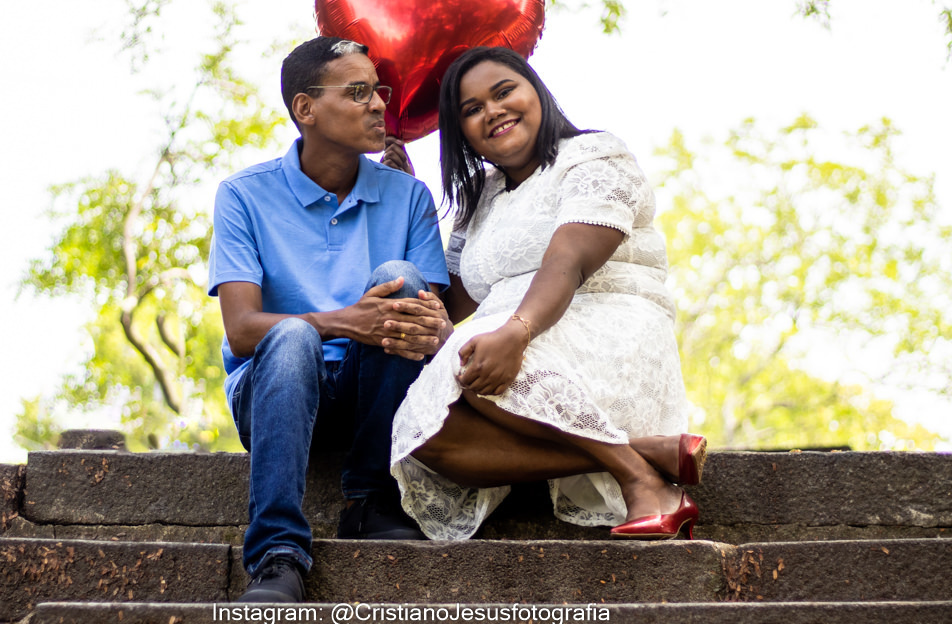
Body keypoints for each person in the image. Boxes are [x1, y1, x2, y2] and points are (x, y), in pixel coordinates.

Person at [390, 46, 707, 541]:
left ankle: (639, 478)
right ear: (461, 132)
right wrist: (400, 199)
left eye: (503, 92)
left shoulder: (595, 155)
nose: (492, 111)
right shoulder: (480, 198)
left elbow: (569, 260)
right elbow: (451, 302)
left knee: (472, 357)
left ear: (536, 92)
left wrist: (517, 332)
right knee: (424, 435)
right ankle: (646, 453)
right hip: (508, 337)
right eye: (472, 109)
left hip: (607, 326)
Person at [209, 36, 452, 602]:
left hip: (377, 400)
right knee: (291, 335)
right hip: (276, 396)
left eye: (379, 91)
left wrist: (428, 326)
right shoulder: (243, 196)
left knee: (402, 278)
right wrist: (345, 322)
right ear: (306, 108)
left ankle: (371, 499)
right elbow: (242, 331)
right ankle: (276, 555)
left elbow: (424, 327)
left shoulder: (409, 197)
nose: (379, 105)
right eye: (358, 92)